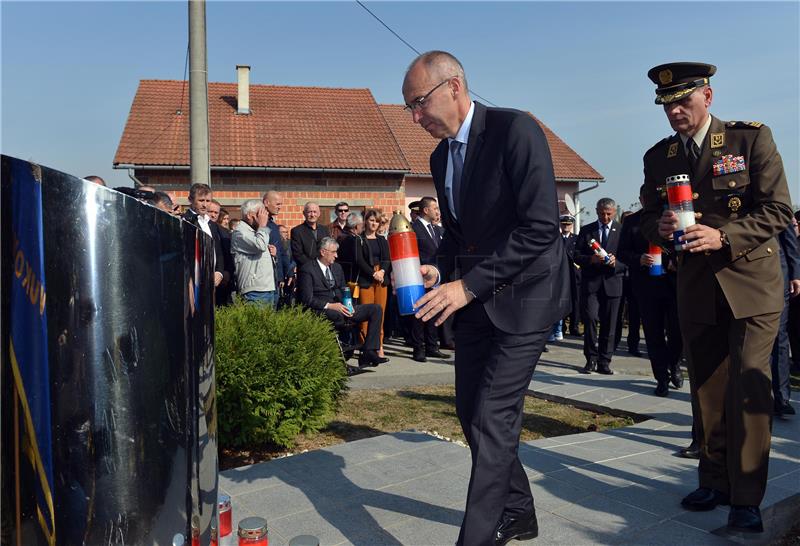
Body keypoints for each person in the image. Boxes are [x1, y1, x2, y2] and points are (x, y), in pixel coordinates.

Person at [402, 50, 569, 546]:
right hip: (473, 297)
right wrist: (441, 267)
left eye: (419, 103)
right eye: (409, 108)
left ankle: (475, 537)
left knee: (494, 415)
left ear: (453, 86)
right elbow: (459, 233)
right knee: (471, 412)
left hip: (528, 297)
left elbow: (541, 228)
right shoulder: (439, 156)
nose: (415, 117)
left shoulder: (515, 130)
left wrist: (466, 285)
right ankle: (518, 512)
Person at [639, 62, 793, 533]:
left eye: (684, 101)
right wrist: (659, 228)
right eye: (667, 105)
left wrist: (723, 236)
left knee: (748, 385)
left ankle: (746, 496)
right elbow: (646, 215)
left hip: (751, 285)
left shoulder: (750, 139)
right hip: (697, 287)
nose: (675, 112)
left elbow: (779, 209)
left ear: (708, 95)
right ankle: (714, 480)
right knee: (706, 388)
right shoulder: (660, 156)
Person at [617, 187, 683, 396]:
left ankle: (674, 365)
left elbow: (685, 245)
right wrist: (638, 259)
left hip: (673, 284)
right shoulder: (632, 221)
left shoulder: (674, 218)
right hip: (647, 287)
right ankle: (661, 378)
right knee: (653, 334)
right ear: (640, 200)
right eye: (645, 199)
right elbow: (622, 252)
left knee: (677, 332)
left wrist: (677, 261)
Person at [297, 237, 388, 368]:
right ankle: (338, 355)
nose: (336, 255)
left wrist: (348, 303)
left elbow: (341, 290)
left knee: (376, 309)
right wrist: (331, 306)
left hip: (342, 306)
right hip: (323, 308)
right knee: (337, 316)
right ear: (323, 252)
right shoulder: (308, 269)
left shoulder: (337, 268)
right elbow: (307, 299)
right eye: (333, 252)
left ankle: (368, 351)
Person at [574, 198, 626, 375]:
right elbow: (576, 255)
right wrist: (590, 259)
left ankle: (605, 360)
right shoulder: (587, 230)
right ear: (597, 211)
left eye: (608, 214)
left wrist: (615, 263)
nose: (605, 217)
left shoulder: (621, 231)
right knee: (589, 319)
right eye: (602, 213)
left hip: (613, 283)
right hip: (591, 284)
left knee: (610, 324)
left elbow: (628, 259)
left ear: (614, 212)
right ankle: (591, 358)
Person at [410, 197, 449, 362]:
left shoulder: (436, 229)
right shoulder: (414, 229)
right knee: (419, 315)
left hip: (436, 278)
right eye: (435, 208)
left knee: (434, 311)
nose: (437, 211)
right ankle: (418, 349)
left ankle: (432, 346)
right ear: (425, 210)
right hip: (419, 278)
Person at [771, 222, 800, 417]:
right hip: (745, 281)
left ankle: (782, 398)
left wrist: (796, 274)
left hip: (778, 279)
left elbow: (789, 240)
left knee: (779, 339)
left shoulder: (777, 201)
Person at [230, 199, 277, 306]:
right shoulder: (240, 232)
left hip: (267, 287)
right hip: (254, 290)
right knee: (256, 322)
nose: (264, 217)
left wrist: (272, 253)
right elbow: (259, 245)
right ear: (249, 215)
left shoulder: (256, 231)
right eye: (260, 214)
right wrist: (263, 226)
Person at [359, 209, 391, 357]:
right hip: (367, 279)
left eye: (376, 221)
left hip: (381, 279)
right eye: (371, 220)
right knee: (365, 314)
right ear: (366, 221)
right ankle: (367, 347)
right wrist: (373, 273)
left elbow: (386, 259)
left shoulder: (382, 240)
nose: (374, 223)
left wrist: (382, 272)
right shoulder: (358, 239)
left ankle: (379, 345)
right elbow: (359, 261)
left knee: (380, 313)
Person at [183, 183, 226, 293]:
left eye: (208, 201)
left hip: (212, 279)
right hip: (193, 280)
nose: (205, 205)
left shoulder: (211, 224)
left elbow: (218, 251)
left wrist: (219, 272)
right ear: (190, 200)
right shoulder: (185, 221)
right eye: (201, 200)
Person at [614, 210, 642, 356]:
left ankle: (633, 345)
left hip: (633, 279)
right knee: (616, 314)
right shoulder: (617, 233)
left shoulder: (637, 234)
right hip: (618, 278)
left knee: (634, 315)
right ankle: (614, 342)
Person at [290, 201, 330, 268]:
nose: (312, 215)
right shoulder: (297, 231)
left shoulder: (324, 230)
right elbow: (298, 254)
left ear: (319, 213)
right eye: (309, 212)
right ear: (304, 213)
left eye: (315, 212)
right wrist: (314, 266)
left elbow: (329, 249)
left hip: (324, 269)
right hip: (306, 270)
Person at [560, 215, 582, 336]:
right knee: (561, 300)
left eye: (568, 224)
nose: (566, 226)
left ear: (572, 225)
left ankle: (574, 327)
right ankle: (561, 327)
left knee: (576, 300)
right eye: (564, 224)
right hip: (561, 274)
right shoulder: (556, 239)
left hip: (574, 273)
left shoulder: (577, 239)